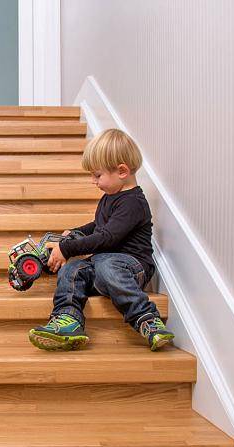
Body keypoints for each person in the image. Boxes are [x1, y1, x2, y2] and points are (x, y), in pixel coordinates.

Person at [28, 128, 175, 352]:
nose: (93, 181)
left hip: (131, 267)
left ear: (122, 171)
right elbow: (98, 227)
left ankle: (146, 319)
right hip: (103, 265)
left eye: (97, 175)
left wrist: (66, 248)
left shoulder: (133, 203)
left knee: (107, 263)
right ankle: (68, 319)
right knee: (74, 268)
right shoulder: (110, 198)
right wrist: (74, 233)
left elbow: (107, 238)